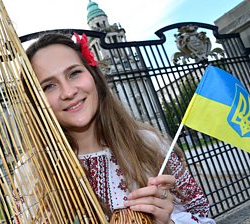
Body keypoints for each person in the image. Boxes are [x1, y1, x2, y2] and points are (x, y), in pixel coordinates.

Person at [14, 32, 215, 224]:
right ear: (36, 100)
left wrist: (167, 222)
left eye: (74, 73)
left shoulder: (150, 144)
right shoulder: (31, 170)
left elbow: (203, 216)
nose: (68, 92)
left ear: (93, 75)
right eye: (48, 86)